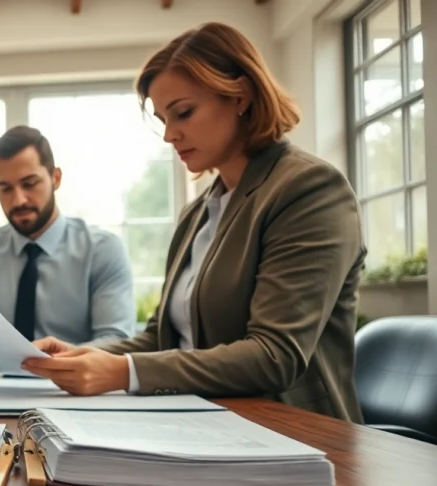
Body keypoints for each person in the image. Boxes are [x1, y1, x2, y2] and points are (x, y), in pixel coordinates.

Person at [21, 22, 366, 423]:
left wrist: (122, 372)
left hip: (291, 433)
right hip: (202, 419)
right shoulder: (199, 212)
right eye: (163, 118)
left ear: (241, 94)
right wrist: (88, 357)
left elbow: (275, 356)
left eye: (183, 112)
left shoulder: (308, 190)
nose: (169, 135)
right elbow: (162, 336)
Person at [0, 125, 135, 374]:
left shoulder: (102, 250)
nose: (18, 200)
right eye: (5, 188)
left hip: (75, 395)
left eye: (29, 184)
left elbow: (116, 342)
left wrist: (47, 363)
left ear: (56, 178)